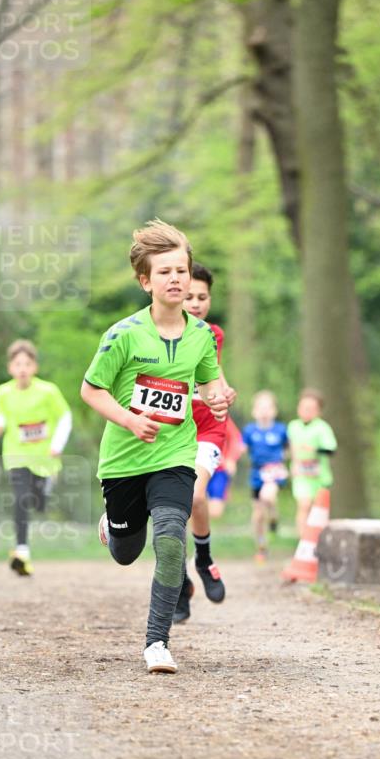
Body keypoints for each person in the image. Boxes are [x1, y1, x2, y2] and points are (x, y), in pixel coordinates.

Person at [81, 219, 227, 674]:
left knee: (169, 539)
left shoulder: (201, 337)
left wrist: (219, 397)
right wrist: (129, 419)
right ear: (146, 281)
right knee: (127, 552)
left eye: (181, 270)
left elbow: (209, 384)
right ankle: (115, 525)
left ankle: (157, 642)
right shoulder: (122, 334)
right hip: (124, 460)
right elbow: (91, 390)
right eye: (164, 272)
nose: (176, 279)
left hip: (174, 456)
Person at [173, 262, 236, 624]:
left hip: (208, 429)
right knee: (168, 510)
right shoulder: (157, 335)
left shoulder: (213, 334)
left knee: (195, 495)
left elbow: (215, 375)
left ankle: (204, 558)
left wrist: (223, 393)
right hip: (170, 432)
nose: (195, 303)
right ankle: (178, 580)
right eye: (189, 296)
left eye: (202, 297)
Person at [0, 339, 72, 576]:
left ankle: (45, 486)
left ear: (35, 367)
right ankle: (22, 550)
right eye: (18, 364)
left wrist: (58, 445)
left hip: (45, 457)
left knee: (38, 501)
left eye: (27, 363)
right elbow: (1, 416)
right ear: (10, 368)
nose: (23, 368)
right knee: (20, 499)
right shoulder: (2, 392)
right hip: (16, 455)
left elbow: (65, 417)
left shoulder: (48, 391)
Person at [242, 390, 288, 563]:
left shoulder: (281, 430)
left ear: (274, 411)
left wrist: (289, 463)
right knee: (258, 514)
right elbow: (241, 448)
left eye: (268, 408)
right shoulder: (249, 431)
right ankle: (261, 546)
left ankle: (274, 516)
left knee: (267, 495)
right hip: (256, 473)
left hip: (275, 471)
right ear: (254, 411)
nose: (264, 411)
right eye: (260, 408)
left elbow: (289, 448)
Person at [287, 388, 337, 536]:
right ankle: (303, 542)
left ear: (318, 411)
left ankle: (318, 543)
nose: (306, 411)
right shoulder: (293, 426)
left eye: (311, 408)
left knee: (319, 511)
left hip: (320, 477)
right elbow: (290, 447)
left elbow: (331, 450)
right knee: (304, 505)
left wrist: (315, 449)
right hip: (301, 474)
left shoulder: (322, 428)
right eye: (303, 407)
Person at [207, 416, 245, 520]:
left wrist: (231, 459)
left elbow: (235, 438)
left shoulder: (220, 414)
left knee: (215, 512)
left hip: (219, 470)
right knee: (195, 503)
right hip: (196, 466)